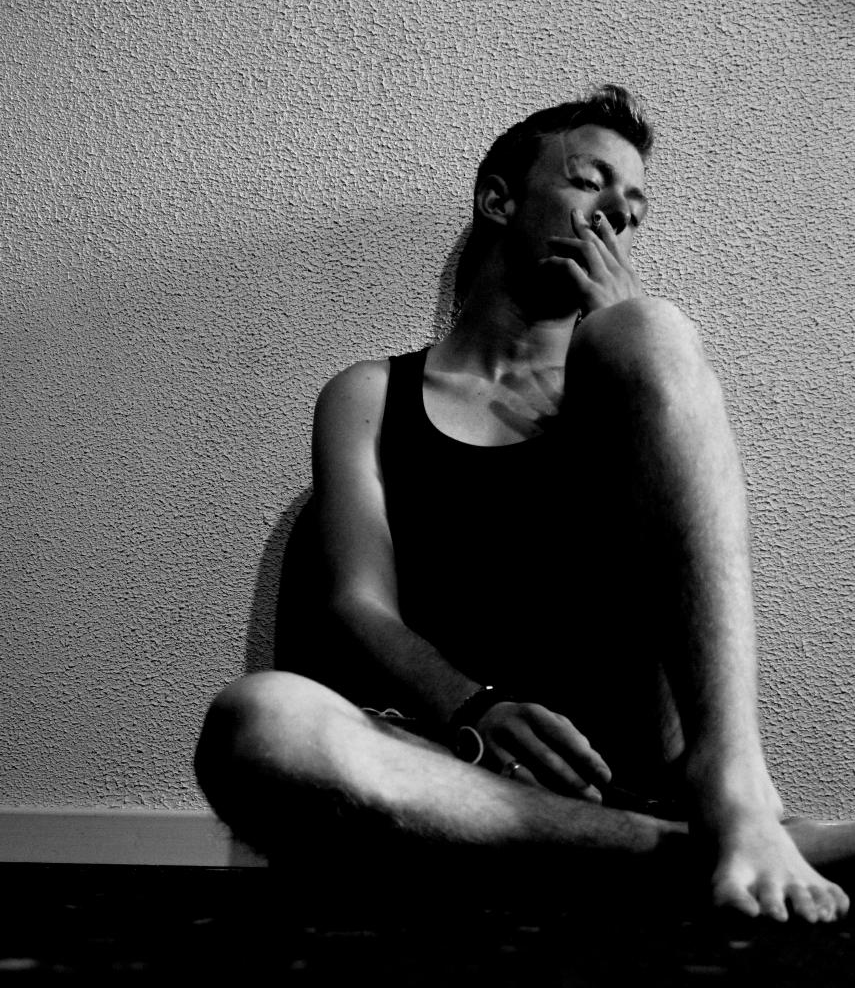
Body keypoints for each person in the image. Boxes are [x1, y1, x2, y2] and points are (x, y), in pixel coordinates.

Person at [195, 85, 853, 923]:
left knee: (651, 329)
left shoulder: (640, 378)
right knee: (256, 720)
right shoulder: (368, 395)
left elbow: (689, 568)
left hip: (627, 763)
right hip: (446, 773)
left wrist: (625, 336)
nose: (616, 214)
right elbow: (356, 604)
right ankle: (679, 850)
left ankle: (735, 795)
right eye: (588, 182)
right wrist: (474, 704)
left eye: (634, 206)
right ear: (498, 200)